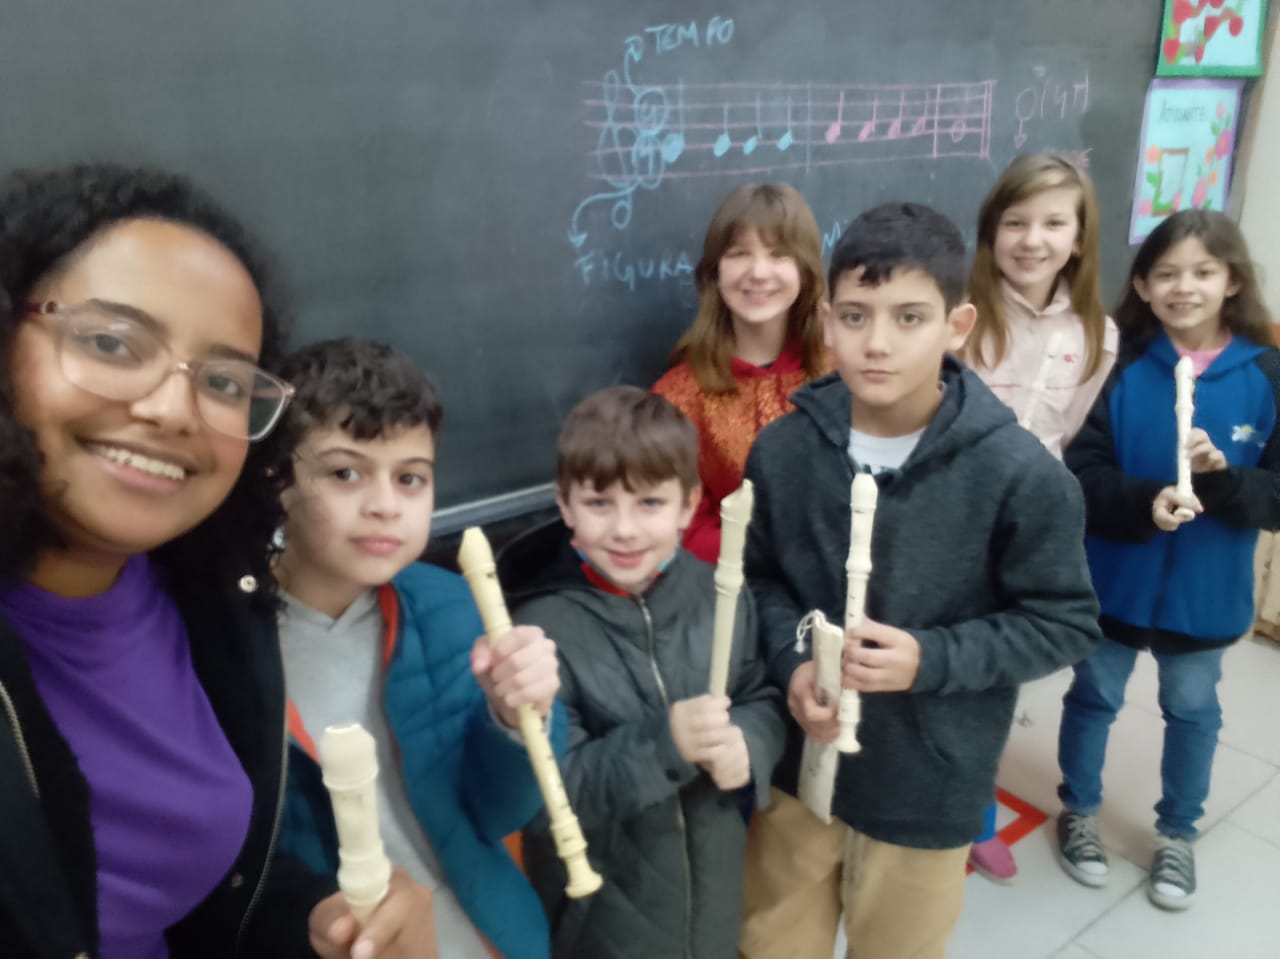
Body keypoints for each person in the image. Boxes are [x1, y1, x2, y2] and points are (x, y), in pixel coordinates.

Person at [0, 163, 432, 958]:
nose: (173, 409)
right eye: (110, 342)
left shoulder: (211, 597)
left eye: (226, 381)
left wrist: (311, 923)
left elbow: (197, 892)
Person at [738, 202, 1102, 959]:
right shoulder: (783, 451)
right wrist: (792, 663)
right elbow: (759, 581)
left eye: (909, 318)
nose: (877, 343)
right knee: (772, 940)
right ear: (826, 322)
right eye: (855, 316)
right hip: (798, 769)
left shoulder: (1020, 476)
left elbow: (1063, 623)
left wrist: (930, 659)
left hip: (928, 788)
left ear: (958, 325)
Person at [271, 337, 567, 959]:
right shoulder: (223, 644)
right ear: (278, 479)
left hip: (486, 939)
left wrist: (518, 721)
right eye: (345, 473)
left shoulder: (450, 607)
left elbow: (496, 812)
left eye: (410, 479)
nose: (385, 506)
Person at [499, 386, 786, 959]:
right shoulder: (536, 636)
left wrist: (749, 743)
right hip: (601, 926)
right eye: (599, 503)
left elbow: (760, 695)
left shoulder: (720, 594)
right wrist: (667, 743)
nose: (625, 530)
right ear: (565, 505)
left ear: (688, 504)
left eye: (650, 503)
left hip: (712, 906)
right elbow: (550, 795)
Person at [1056, 210, 1280, 911]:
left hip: (1206, 592)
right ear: (1143, 286)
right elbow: (1081, 471)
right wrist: (1144, 501)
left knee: (1192, 709)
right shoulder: (1116, 363)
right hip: (1114, 578)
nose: (1185, 287)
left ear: (1232, 281)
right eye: (1167, 273)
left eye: (1203, 272)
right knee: (1094, 696)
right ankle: (1079, 810)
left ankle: (1177, 830)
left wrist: (1224, 480)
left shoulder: (1268, 372)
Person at [962, 153, 1118, 882]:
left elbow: (1064, 431)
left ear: (1079, 238)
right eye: (1015, 222)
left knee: (997, 673)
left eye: (1054, 223)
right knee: (935, 661)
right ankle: (929, 798)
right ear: (991, 230)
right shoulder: (958, 314)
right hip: (949, 518)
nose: (1032, 240)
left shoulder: (1097, 335)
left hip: (1026, 531)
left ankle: (976, 811)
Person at [653, 182, 827, 563]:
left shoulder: (844, 372)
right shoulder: (678, 397)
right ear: (715, 270)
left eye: (779, 254)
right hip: (735, 584)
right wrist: (767, 555)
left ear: (805, 270)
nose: (758, 272)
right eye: (739, 253)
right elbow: (679, 524)